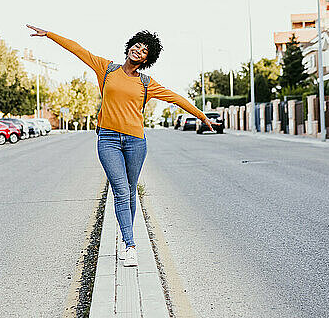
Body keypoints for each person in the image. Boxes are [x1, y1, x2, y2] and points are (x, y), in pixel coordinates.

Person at [27, 24, 213, 267]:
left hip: (136, 141)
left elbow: (174, 97)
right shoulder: (106, 69)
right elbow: (77, 49)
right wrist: (50, 35)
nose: (139, 50)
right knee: (121, 190)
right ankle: (130, 244)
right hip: (108, 139)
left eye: (145, 50)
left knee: (131, 189)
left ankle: (128, 238)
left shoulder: (147, 83)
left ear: (148, 58)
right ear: (130, 47)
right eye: (137, 45)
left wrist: (201, 116)